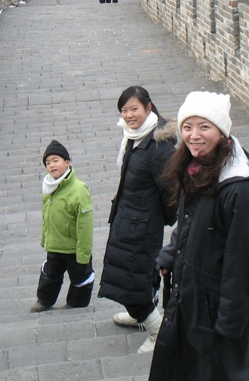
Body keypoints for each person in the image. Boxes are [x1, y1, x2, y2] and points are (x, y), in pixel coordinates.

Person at [148, 92, 249, 381]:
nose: (194, 136)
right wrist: (170, 255)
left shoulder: (239, 192)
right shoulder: (196, 168)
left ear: (221, 131)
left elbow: (248, 267)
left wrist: (228, 327)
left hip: (216, 315)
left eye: (204, 127)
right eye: (188, 127)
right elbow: (189, 224)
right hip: (190, 299)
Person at [98, 86, 177, 353]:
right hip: (128, 220)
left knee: (132, 279)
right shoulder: (135, 136)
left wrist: (156, 220)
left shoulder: (158, 146)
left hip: (141, 226)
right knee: (133, 275)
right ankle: (139, 315)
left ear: (148, 107)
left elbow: (171, 193)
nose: (129, 115)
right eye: (124, 110)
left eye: (134, 109)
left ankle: (157, 332)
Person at [31, 140, 95, 312]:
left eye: (55, 160)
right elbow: (47, 216)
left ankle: (77, 303)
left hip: (74, 247)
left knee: (81, 277)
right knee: (50, 274)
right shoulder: (48, 186)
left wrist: (84, 251)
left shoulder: (79, 188)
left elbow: (85, 224)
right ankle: (44, 300)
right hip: (55, 245)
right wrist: (46, 239)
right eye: (48, 162)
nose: (51, 165)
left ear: (67, 162)